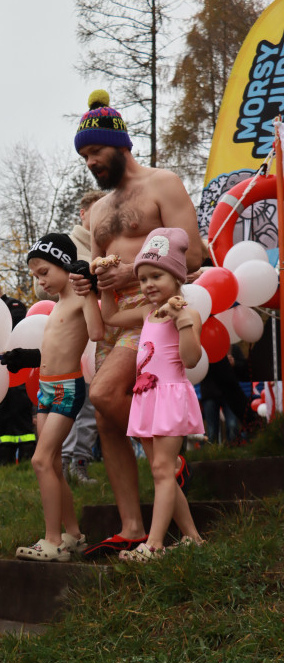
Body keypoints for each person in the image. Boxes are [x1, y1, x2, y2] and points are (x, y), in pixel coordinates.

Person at [71, 89, 202, 557]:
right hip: (112, 318)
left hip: (154, 312)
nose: (90, 162)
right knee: (107, 420)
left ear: (120, 144)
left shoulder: (163, 184)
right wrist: (90, 280)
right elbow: (101, 265)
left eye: (96, 151)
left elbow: (198, 253)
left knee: (104, 394)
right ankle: (131, 524)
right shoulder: (100, 211)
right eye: (84, 156)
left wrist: (140, 269)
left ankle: (168, 456)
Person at [98, 228, 204, 561]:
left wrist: (184, 321)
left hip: (170, 397)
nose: (148, 285)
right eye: (143, 279)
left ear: (176, 276)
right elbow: (111, 317)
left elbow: (191, 359)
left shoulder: (187, 313)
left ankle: (155, 544)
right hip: (149, 397)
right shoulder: (148, 314)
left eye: (156, 276)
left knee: (161, 469)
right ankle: (192, 537)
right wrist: (105, 286)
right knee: (162, 469)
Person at [8, 233, 104, 562]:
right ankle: (73, 535)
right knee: (51, 465)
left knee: (40, 460)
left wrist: (89, 290)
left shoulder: (78, 298)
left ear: (65, 264)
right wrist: (28, 357)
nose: (40, 281)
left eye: (45, 272)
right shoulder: (59, 305)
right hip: (47, 388)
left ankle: (53, 541)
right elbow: (55, 349)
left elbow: (96, 333)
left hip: (67, 388)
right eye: (36, 276)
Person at [61, 190, 105, 485]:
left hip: (105, 329)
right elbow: (41, 287)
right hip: (74, 333)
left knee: (94, 400)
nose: (103, 216)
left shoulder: (113, 243)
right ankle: (63, 462)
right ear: (83, 213)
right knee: (72, 398)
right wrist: (76, 277)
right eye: (97, 210)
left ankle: (81, 462)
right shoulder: (66, 244)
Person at [0, 276, 36, 463]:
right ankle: (4, 459)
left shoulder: (14, 306)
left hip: (17, 368)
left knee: (21, 413)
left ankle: (27, 457)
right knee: (2, 417)